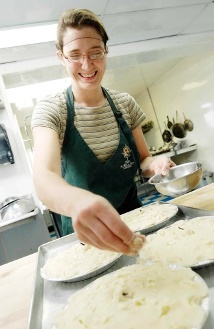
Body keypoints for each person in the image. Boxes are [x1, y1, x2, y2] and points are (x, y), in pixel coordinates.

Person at [31, 8, 175, 255]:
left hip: (136, 221)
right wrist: (78, 203)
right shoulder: (52, 110)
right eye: (75, 55)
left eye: (95, 53)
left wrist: (157, 163)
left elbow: (143, 160)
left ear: (106, 51)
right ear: (61, 57)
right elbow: (44, 177)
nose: (87, 64)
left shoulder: (125, 104)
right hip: (86, 237)